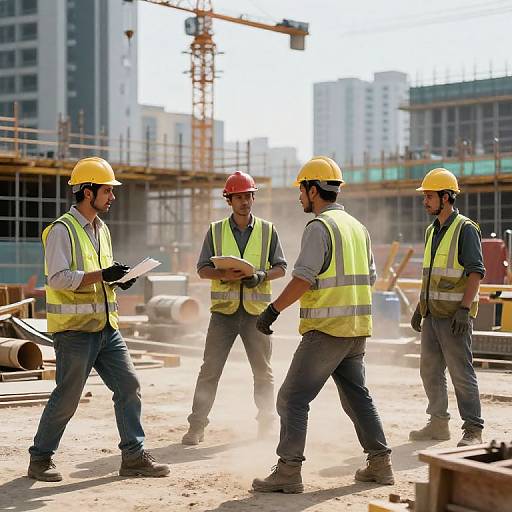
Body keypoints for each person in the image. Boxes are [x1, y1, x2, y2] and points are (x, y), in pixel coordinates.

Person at [252, 156, 393, 494]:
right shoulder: (357, 228)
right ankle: (380, 463)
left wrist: (272, 311)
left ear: (314, 190)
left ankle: (288, 470)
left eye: (302, 190)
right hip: (356, 330)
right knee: (357, 397)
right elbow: (371, 276)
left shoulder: (319, 227)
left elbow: (302, 279)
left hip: (328, 331)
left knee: (291, 398)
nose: (300, 197)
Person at [28, 157, 169, 481]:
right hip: (75, 332)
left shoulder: (101, 229)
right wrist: (101, 274)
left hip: (106, 328)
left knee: (129, 386)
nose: (113, 197)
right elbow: (59, 279)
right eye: (108, 190)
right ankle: (40, 459)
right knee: (67, 396)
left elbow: (98, 275)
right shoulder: (61, 230)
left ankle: (133, 456)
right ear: (87, 192)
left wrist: (118, 278)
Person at [182, 171, 287, 445]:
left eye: (248, 196)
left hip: (257, 314)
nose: (244, 202)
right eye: (239, 197)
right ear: (229, 200)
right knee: (210, 371)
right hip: (224, 314)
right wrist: (223, 276)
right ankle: (196, 426)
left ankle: (266, 425)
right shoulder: (215, 231)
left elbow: (281, 268)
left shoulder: (268, 230)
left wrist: (261, 276)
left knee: (263, 372)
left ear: (254, 197)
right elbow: (202, 269)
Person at [409, 167, 484, 447]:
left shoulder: (465, 228)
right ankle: (438, 423)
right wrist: (420, 307)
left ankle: (473, 429)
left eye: (429, 196)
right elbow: (430, 274)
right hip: (432, 315)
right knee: (429, 370)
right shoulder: (432, 231)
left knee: (461, 373)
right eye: (425, 196)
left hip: (454, 317)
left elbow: (476, 271)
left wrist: (464, 310)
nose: (425, 201)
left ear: (446, 197)